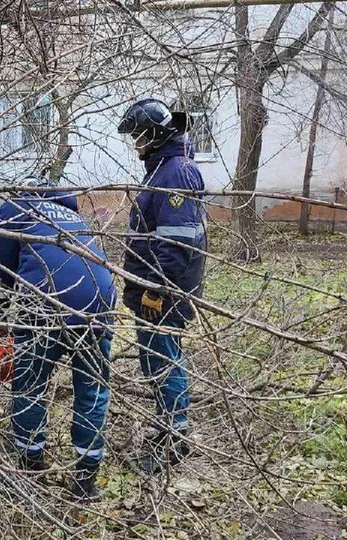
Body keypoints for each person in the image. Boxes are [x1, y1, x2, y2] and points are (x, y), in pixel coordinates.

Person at [0, 176, 117, 501]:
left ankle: (31, 470)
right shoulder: (74, 217)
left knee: (29, 385)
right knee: (92, 391)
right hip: (99, 303)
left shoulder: (16, 208)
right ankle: (86, 480)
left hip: (45, 304)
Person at [116, 98, 207, 473]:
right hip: (155, 286)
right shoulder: (163, 169)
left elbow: (179, 240)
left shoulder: (175, 174)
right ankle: (167, 425)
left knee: (163, 359)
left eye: (138, 135)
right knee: (155, 358)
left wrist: (157, 288)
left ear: (154, 134)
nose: (135, 142)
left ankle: (174, 437)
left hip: (165, 290)